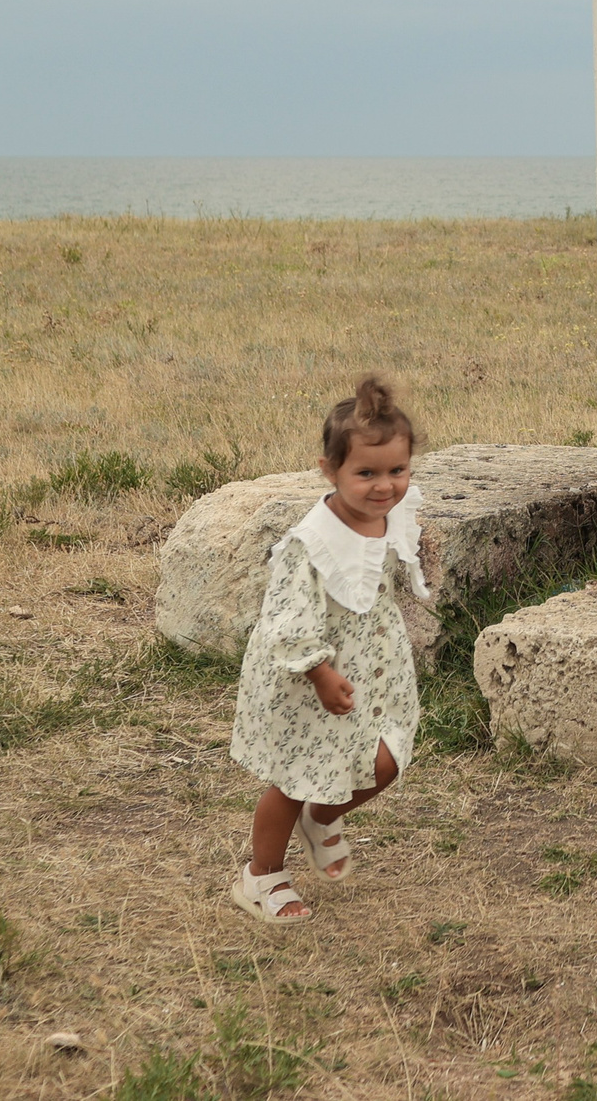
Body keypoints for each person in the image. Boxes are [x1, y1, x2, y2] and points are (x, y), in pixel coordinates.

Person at [228, 376, 427, 925]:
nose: (384, 486)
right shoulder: (310, 542)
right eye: (365, 473)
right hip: (310, 675)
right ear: (330, 470)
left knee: (386, 760)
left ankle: (324, 816)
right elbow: (286, 618)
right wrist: (318, 671)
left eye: (397, 471)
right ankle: (261, 876)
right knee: (295, 778)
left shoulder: (391, 510)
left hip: (376, 668)